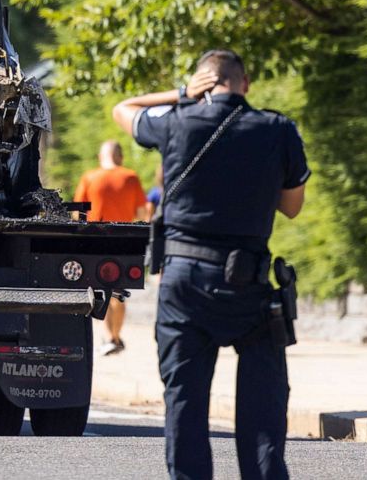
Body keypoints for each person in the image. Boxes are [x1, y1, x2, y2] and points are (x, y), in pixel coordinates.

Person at [111, 49, 308, 480]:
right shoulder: (277, 129)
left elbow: (121, 109)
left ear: (202, 83)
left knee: (185, 400)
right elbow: (292, 207)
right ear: (246, 83)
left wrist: (180, 93)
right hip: (248, 282)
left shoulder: (176, 122)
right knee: (263, 403)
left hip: (183, 282)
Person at [74, 140, 147, 356]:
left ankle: (108, 338)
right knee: (119, 292)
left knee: (102, 290)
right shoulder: (130, 177)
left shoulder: (90, 177)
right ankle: (115, 337)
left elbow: (78, 214)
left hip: (96, 240)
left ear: (100, 157)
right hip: (125, 241)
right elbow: (142, 213)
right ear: (120, 157)